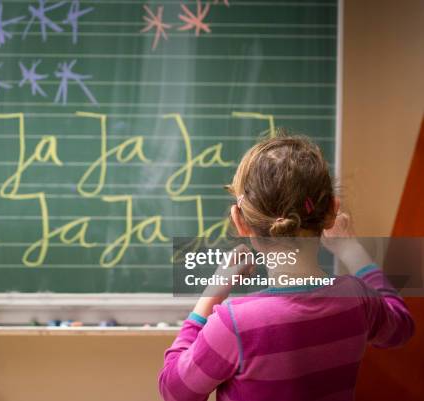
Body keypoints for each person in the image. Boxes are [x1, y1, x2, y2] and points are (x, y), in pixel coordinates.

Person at [158, 135, 414, 401]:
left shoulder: (234, 323)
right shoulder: (357, 298)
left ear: (240, 222)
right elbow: (401, 327)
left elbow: (174, 391)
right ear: (331, 212)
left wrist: (210, 297)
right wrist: (351, 249)